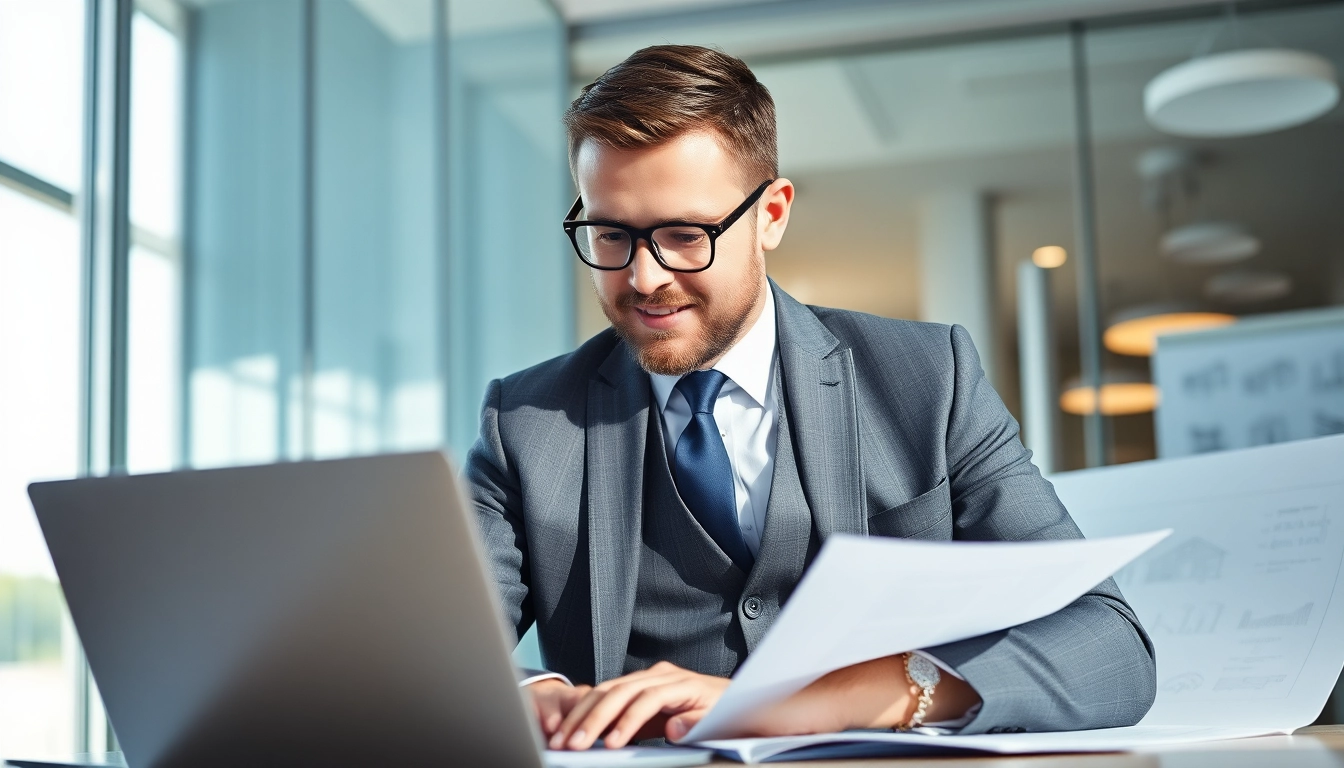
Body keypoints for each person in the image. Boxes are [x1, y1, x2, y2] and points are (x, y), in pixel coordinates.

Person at [465, 44, 1156, 751]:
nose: (643, 277)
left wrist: (839, 699)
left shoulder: (927, 379)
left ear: (771, 214)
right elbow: (431, 656)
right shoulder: (524, 425)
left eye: (684, 235)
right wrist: (533, 694)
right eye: (611, 235)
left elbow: (1111, 649)